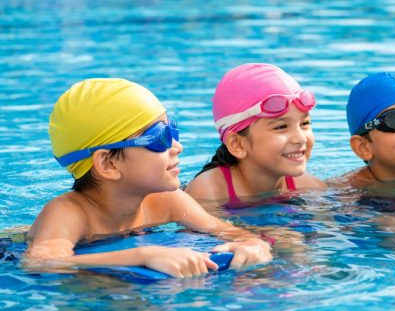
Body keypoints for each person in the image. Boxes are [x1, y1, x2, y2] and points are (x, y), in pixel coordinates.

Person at [26, 78, 272, 277]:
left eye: (172, 130)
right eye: (159, 138)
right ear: (108, 163)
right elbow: (40, 263)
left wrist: (254, 245)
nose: (177, 146)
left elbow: (232, 233)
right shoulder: (69, 212)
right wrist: (143, 255)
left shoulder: (167, 200)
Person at [186, 63, 325, 207]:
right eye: (281, 127)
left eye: (305, 124)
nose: (300, 138)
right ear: (238, 144)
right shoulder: (209, 191)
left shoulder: (310, 187)